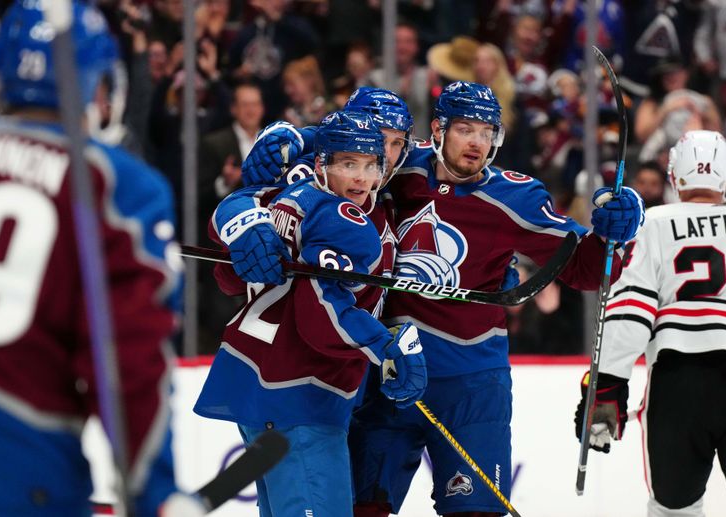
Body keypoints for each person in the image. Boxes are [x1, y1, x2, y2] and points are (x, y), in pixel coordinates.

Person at [230, 80, 645, 516]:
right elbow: (353, 142)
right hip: (387, 375)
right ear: (438, 130)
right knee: (359, 509)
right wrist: (299, 135)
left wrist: (615, 230)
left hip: (471, 385)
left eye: (488, 133)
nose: (477, 143)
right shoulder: (398, 166)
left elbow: (588, 269)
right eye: (467, 129)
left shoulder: (516, 197)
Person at [0, 1, 198, 516]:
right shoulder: (114, 185)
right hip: (17, 475)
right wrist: (155, 492)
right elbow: (126, 360)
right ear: (99, 83)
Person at [193, 110, 428, 517]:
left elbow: (227, 272)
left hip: (253, 383)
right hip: (302, 391)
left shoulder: (285, 195)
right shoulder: (345, 218)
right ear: (321, 164)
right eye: (347, 164)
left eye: (370, 164)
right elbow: (320, 314)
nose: (360, 177)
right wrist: (385, 347)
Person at [575, 130, 726, 517]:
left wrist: (606, 384)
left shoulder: (653, 223)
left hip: (682, 377)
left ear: (674, 176)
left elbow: (632, 308)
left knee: (675, 509)